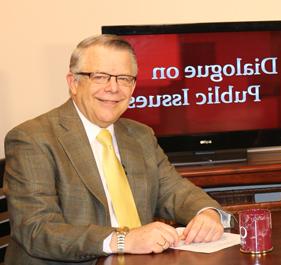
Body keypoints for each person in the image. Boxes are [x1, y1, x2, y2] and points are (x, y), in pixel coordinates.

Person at [3, 35, 230, 264]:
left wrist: (207, 213)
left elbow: (175, 190)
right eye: (100, 76)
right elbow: (36, 230)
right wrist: (122, 240)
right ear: (73, 83)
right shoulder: (32, 138)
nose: (113, 88)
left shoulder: (140, 135)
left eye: (124, 78)